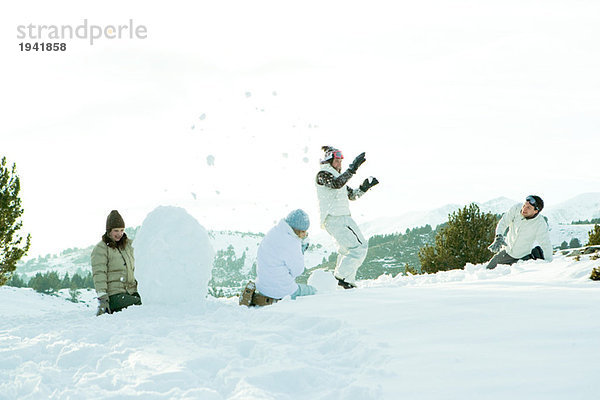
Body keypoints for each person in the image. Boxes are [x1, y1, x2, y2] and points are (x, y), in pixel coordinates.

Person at [315, 146, 379, 289]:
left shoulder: (338, 177)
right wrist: (352, 168)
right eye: (336, 161)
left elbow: (351, 196)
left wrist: (364, 188)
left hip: (338, 218)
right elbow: (336, 184)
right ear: (329, 161)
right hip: (336, 218)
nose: (339, 164)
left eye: (340, 161)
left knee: (346, 250)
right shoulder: (323, 174)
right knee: (359, 247)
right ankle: (343, 279)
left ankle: (341, 284)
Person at [241, 209, 316, 307]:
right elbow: (298, 271)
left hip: (262, 287)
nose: (305, 235)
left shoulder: (274, 231)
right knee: (313, 292)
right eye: (303, 232)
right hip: (280, 291)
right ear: (297, 230)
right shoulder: (292, 242)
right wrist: (301, 251)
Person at [91, 210, 141, 315]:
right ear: (109, 231)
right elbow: (99, 274)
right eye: (116, 231)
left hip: (132, 292)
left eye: (122, 230)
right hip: (114, 295)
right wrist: (103, 299)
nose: (119, 234)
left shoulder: (129, 245)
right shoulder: (101, 249)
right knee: (139, 304)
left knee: (149, 302)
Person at [486, 195, 553, 269]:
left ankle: (534, 256)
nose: (524, 209)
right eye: (524, 205)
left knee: (517, 276)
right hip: (507, 252)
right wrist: (499, 236)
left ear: (536, 211)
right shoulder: (516, 209)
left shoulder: (540, 223)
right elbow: (503, 222)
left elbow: (545, 243)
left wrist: (549, 264)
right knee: (489, 269)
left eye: (528, 208)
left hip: (523, 257)